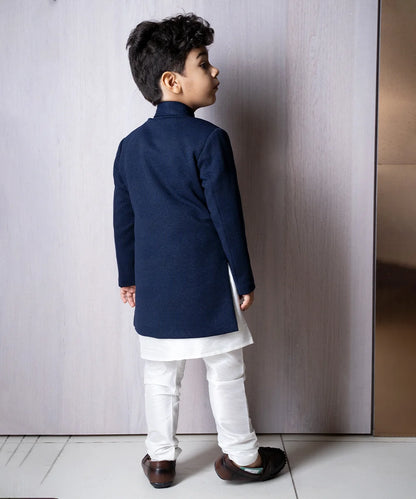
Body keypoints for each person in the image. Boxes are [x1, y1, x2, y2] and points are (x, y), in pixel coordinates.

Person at [113, 12, 286, 488]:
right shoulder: (210, 139)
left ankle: (161, 461)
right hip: (207, 284)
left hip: (155, 287)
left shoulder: (129, 147)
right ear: (172, 81)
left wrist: (128, 278)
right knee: (225, 370)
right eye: (204, 63)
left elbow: (124, 221)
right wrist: (244, 278)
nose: (215, 71)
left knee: (159, 376)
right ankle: (243, 457)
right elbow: (227, 218)